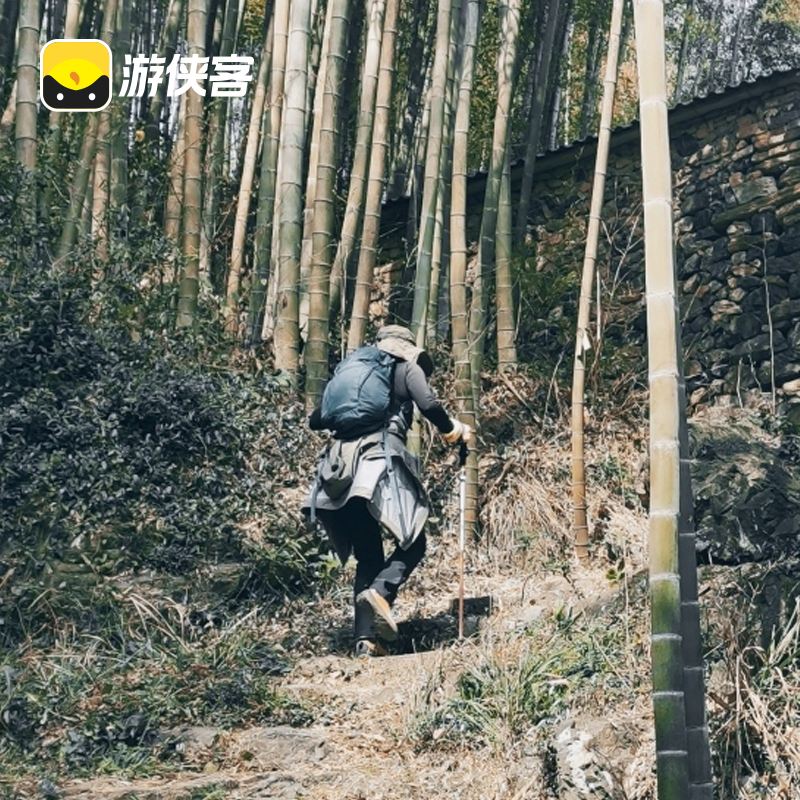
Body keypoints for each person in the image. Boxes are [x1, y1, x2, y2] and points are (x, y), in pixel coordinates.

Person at [302, 325, 472, 658]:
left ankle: (365, 641)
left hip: (339, 471)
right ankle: (380, 593)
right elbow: (428, 402)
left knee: (368, 553)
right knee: (414, 541)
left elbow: (316, 419)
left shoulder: (355, 371)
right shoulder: (404, 368)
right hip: (379, 464)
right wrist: (453, 430)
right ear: (406, 349)